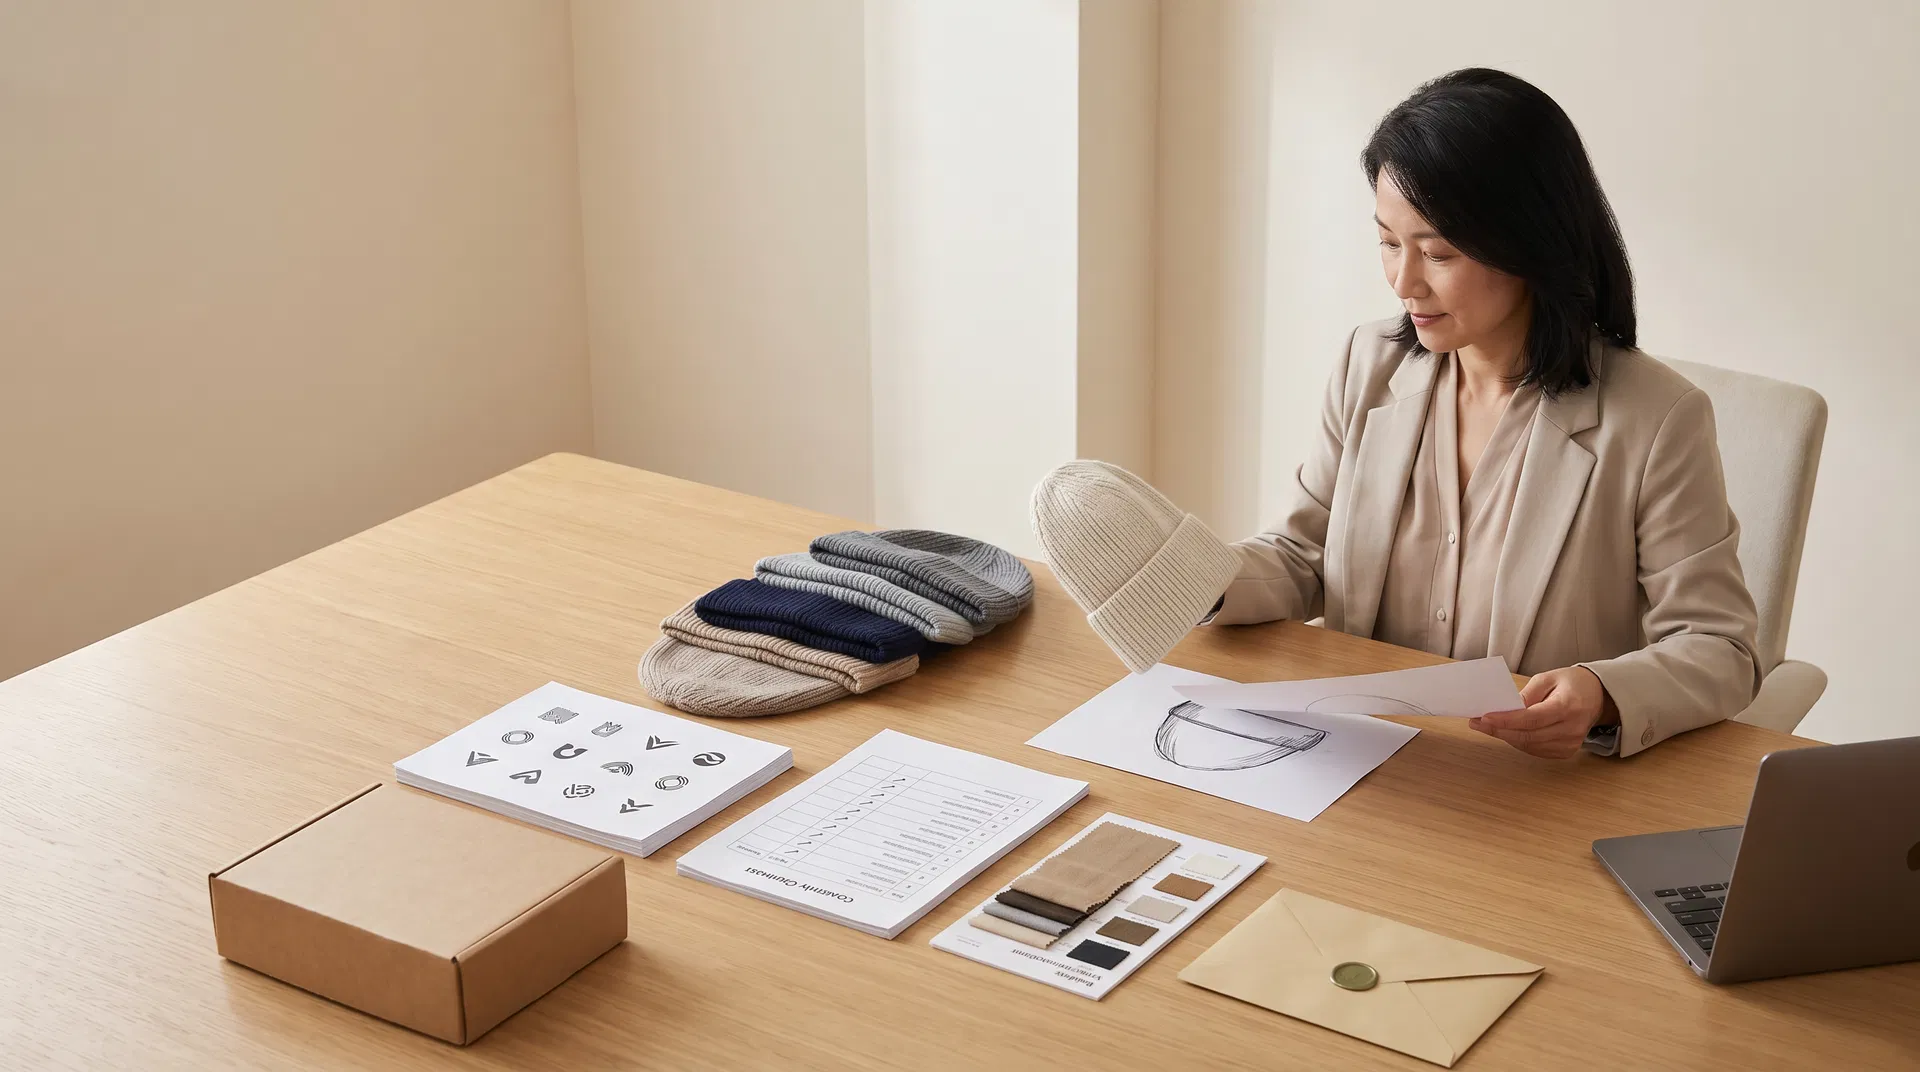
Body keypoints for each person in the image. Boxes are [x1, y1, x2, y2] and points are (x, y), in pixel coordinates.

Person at [1208, 68, 1761, 759]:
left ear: (1527, 244)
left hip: (1525, 791)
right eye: (1387, 242)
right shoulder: (1368, 364)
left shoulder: (1657, 419)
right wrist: (1197, 579)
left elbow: (1721, 648)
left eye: (1438, 252)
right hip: (1354, 763)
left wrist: (1601, 691)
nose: (1404, 282)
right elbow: (1301, 556)